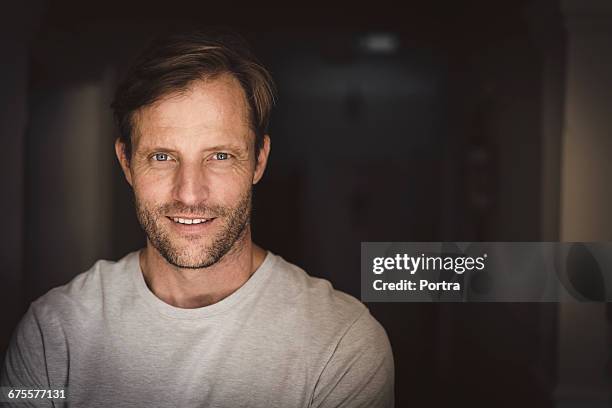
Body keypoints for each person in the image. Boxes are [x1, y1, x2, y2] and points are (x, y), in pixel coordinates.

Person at [1, 31, 394, 407]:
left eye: (220, 156)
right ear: (126, 163)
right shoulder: (53, 335)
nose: (189, 194)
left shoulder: (341, 343)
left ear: (259, 160)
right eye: (162, 157)